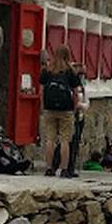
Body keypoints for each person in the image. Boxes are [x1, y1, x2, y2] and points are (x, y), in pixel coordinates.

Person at [40, 46, 81, 178]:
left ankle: (49, 168)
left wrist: (43, 106)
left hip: (49, 109)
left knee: (50, 139)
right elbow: (76, 92)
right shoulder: (70, 71)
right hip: (66, 109)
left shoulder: (47, 70)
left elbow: (42, 91)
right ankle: (63, 169)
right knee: (65, 140)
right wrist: (74, 108)